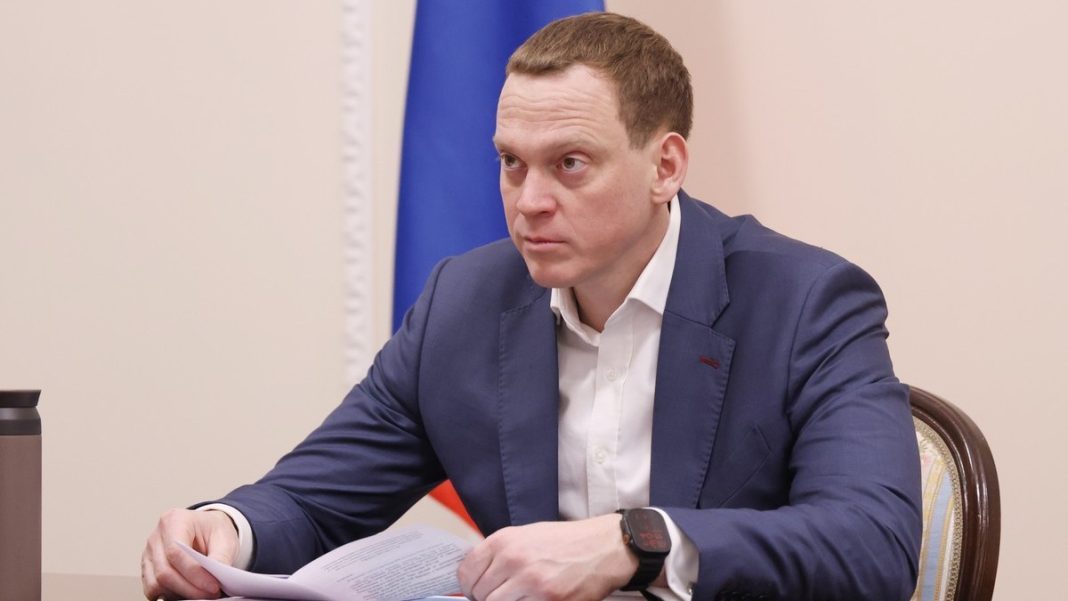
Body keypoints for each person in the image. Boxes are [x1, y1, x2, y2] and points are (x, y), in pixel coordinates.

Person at [142, 12, 922, 601]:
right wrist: (224, 531)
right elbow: (312, 500)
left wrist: (635, 543)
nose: (529, 201)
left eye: (569, 163)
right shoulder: (462, 303)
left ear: (665, 166)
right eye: (512, 163)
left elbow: (873, 543)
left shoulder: (806, 302)